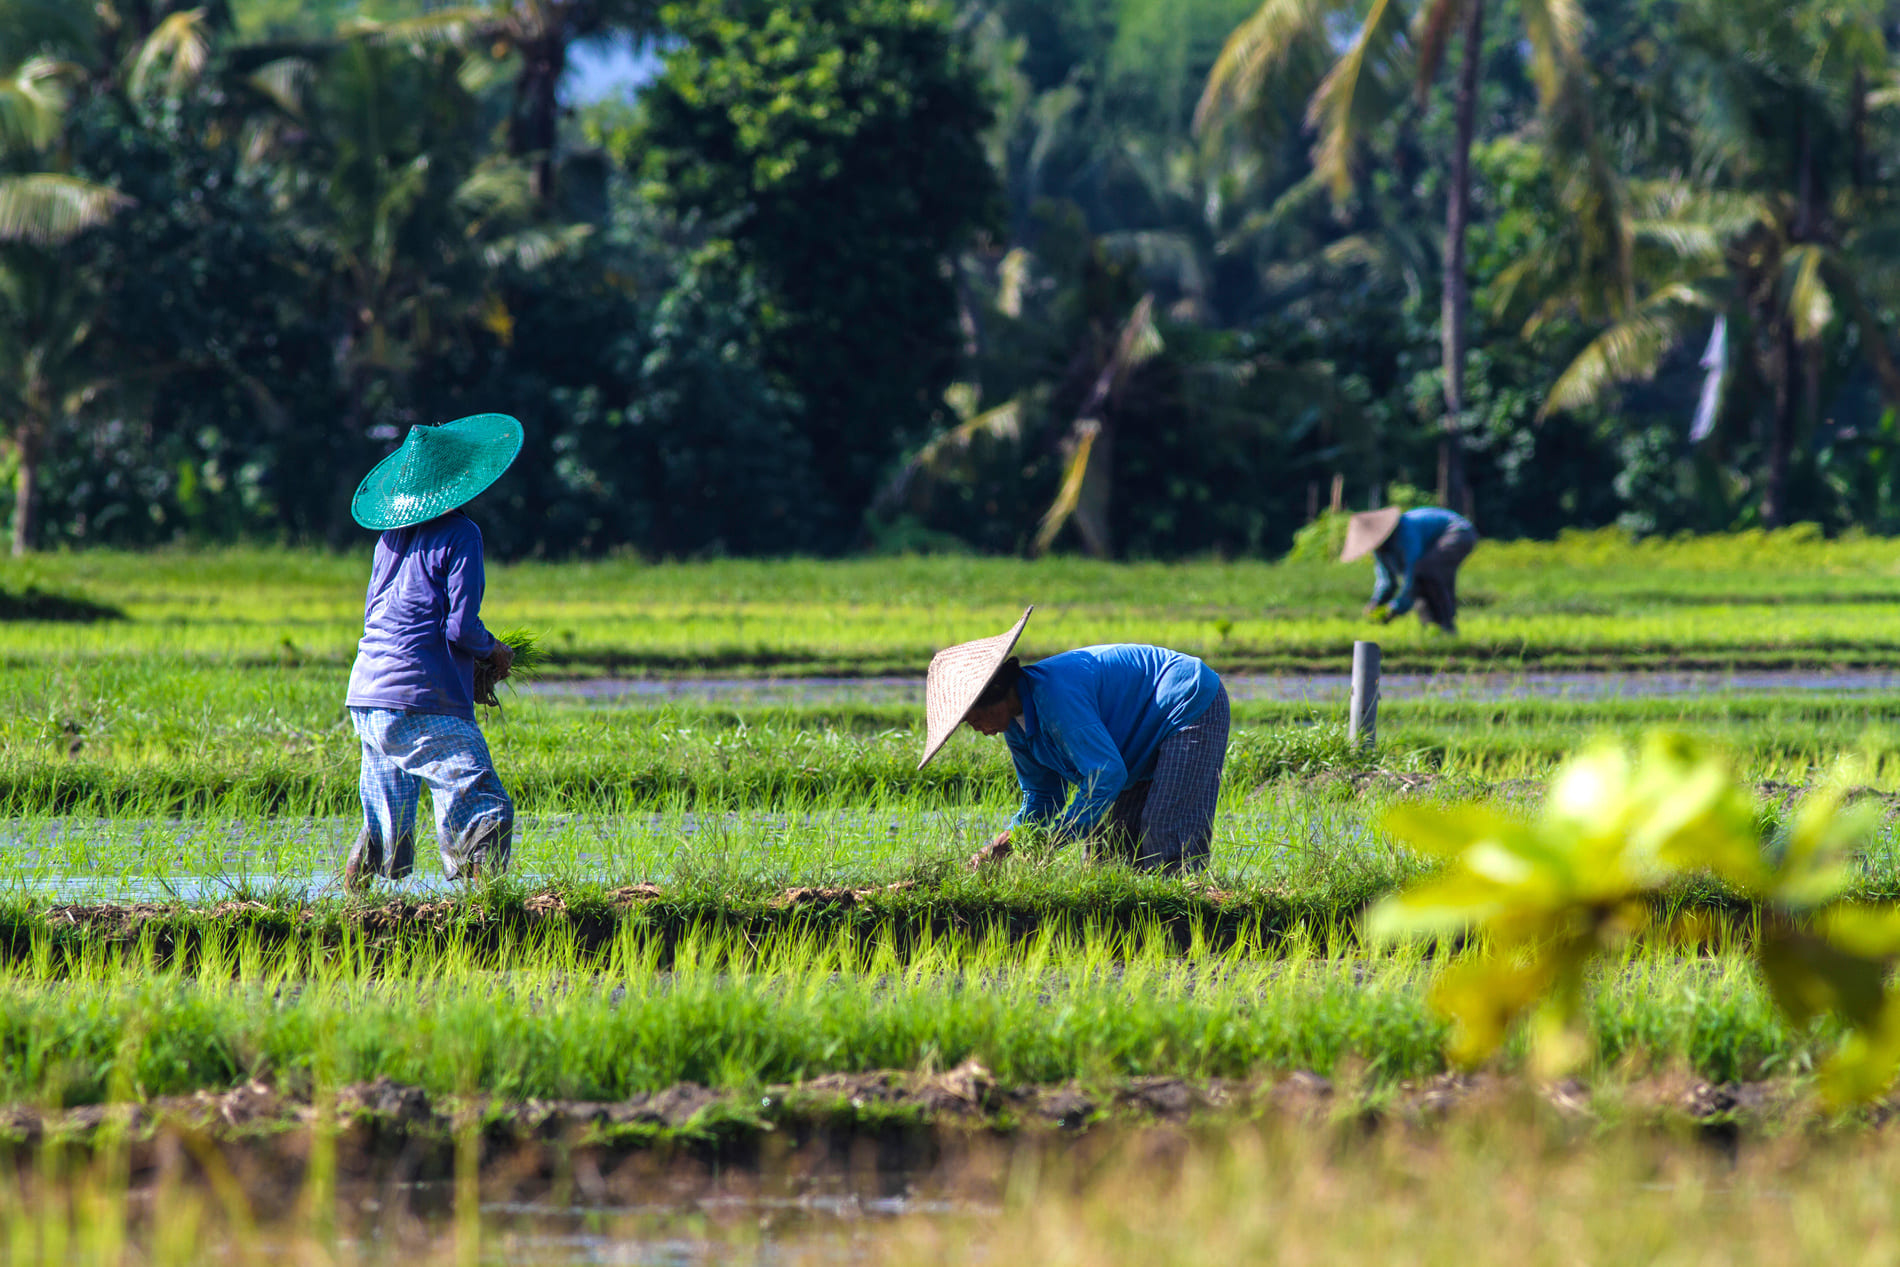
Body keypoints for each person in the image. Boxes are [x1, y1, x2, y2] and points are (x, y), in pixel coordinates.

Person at [342, 413, 524, 889]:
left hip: (368, 692)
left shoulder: (390, 537)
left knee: (385, 820)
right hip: (420, 693)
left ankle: (354, 910)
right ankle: (489, 915)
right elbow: (461, 629)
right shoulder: (463, 533)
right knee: (481, 802)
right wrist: (495, 652)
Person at [917, 607, 1230, 875]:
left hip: (1184, 701)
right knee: (1108, 853)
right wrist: (1008, 841)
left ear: (996, 693)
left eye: (974, 717)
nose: (976, 728)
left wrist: (1057, 837)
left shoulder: (1055, 697)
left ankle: (1186, 917)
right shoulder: (1016, 727)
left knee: (1166, 834)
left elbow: (1105, 773)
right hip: (1132, 741)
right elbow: (1043, 795)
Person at [1340, 506, 1478, 634]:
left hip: (1458, 531)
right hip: (1435, 542)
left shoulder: (1405, 532)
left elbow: (1412, 573)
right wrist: (1376, 603)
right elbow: (1387, 581)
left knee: (1426, 572)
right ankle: (1432, 628)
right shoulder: (1381, 550)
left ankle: (1446, 626)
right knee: (1422, 581)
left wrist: (1396, 608)